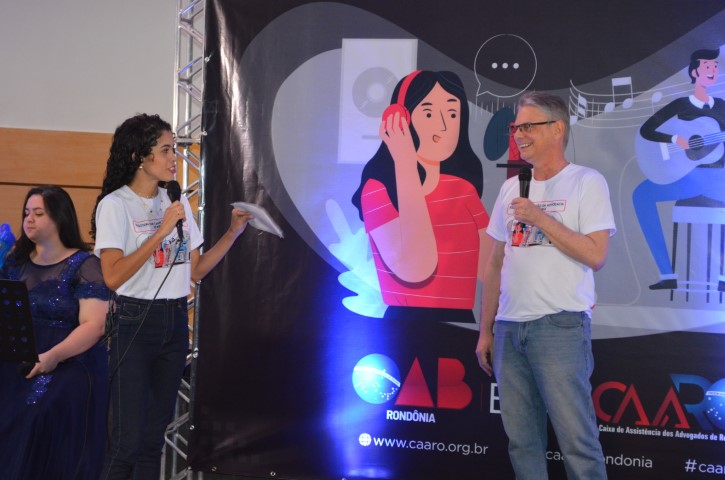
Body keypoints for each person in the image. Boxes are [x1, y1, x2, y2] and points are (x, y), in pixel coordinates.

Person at [91, 114, 252, 479]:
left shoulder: (174, 201)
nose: (174, 157)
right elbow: (113, 276)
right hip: (135, 323)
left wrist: (232, 232)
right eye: (166, 150)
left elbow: (196, 270)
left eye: (175, 149)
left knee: (153, 441)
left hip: (175, 322)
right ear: (139, 156)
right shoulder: (116, 205)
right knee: (126, 442)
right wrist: (161, 231)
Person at [476, 92, 615, 479]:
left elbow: (596, 255)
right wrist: (486, 330)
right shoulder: (511, 188)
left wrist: (540, 218)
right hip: (509, 329)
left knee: (577, 443)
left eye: (528, 126)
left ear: (557, 129)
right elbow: (495, 263)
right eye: (515, 127)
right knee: (522, 442)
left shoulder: (586, 182)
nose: (519, 135)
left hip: (559, 326)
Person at [351, 70, 490, 322]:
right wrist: (404, 160)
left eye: (453, 113)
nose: (444, 126)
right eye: (428, 114)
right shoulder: (377, 190)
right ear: (401, 120)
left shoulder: (463, 189)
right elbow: (416, 269)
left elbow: (491, 270)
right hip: (405, 326)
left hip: (462, 324)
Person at [0, 185, 111, 480]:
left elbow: (94, 325)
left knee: (38, 411)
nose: (29, 219)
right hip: (17, 353)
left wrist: (53, 356)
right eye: (26, 213)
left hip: (70, 358)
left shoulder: (85, 265)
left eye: (38, 213)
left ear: (59, 218)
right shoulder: (14, 263)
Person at [633, 48, 725, 290]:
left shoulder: (722, 107)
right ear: (694, 72)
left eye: (715, 66)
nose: (712, 70)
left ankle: (724, 277)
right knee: (641, 195)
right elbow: (646, 130)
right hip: (686, 176)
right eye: (707, 66)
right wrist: (675, 139)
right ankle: (667, 274)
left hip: (717, 177)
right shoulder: (681, 105)